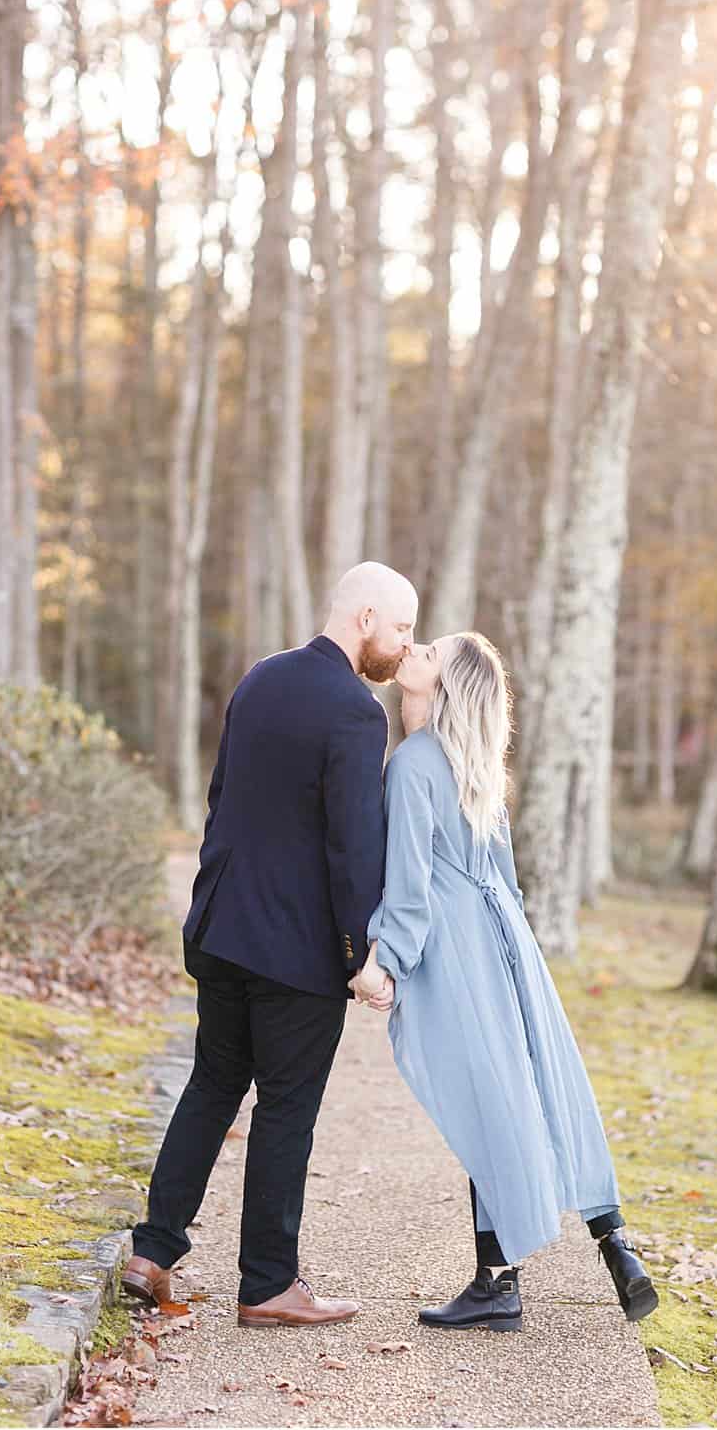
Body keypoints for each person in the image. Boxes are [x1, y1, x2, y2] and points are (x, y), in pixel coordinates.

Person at [122, 562, 417, 1327]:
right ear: (364, 618)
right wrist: (362, 956)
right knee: (287, 1107)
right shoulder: (357, 710)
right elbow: (353, 847)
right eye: (402, 627)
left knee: (212, 1085)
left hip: (222, 930)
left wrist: (209, 907)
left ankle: (152, 1252)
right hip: (294, 952)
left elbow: (223, 802)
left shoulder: (259, 679)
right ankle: (267, 1285)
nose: (404, 644)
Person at [350, 632, 658, 1332]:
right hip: (508, 941)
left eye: (432, 650)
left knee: (484, 1099)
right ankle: (616, 1246)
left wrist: (384, 962)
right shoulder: (477, 765)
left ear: (447, 685)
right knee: (545, 1086)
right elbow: (507, 879)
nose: (416, 647)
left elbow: (411, 886)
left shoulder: (413, 765)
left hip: (461, 944)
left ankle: (498, 1282)